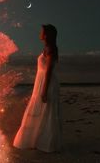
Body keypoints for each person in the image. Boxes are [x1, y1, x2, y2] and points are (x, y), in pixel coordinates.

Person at [13, 24, 62, 152]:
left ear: (46, 35)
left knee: (47, 111)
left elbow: (49, 71)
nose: (40, 33)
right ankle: (37, 141)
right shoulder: (46, 48)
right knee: (41, 111)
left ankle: (46, 143)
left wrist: (44, 91)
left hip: (47, 83)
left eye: (42, 31)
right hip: (42, 82)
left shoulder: (51, 48)